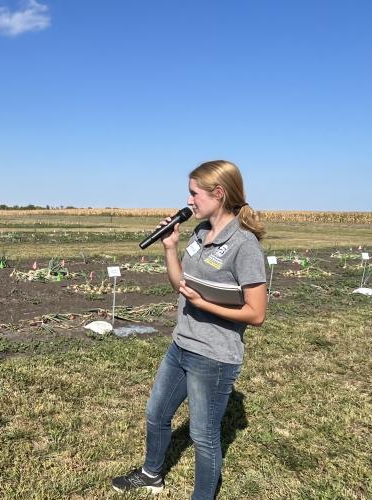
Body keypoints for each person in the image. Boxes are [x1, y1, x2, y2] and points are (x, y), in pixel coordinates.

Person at [112, 160, 267, 499]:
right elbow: (180, 284)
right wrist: (169, 247)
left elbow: (256, 314)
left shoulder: (245, 245)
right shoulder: (199, 233)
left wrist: (203, 303)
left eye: (195, 193)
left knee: (203, 436)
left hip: (213, 356)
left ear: (219, 194)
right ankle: (152, 474)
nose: (189, 200)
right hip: (181, 345)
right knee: (156, 413)